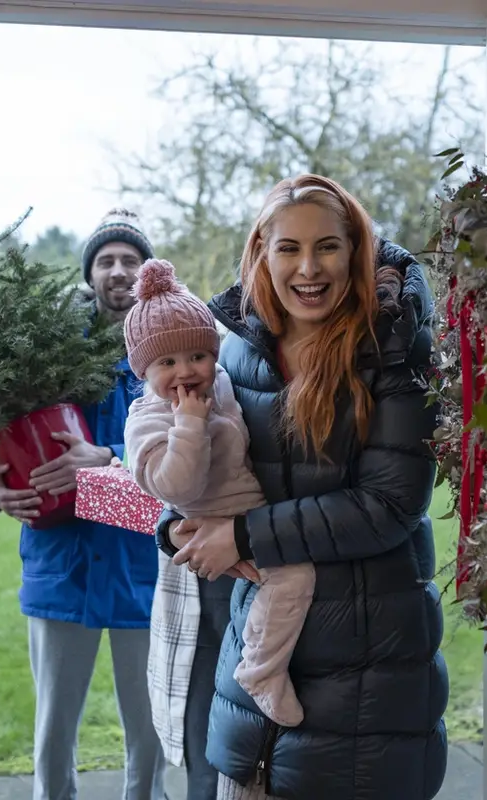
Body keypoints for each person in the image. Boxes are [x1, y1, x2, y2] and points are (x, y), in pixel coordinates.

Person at [157, 175, 448, 800]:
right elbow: (211, 462)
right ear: (262, 251)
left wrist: (239, 533)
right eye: (288, 248)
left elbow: (388, 505)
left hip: (368, 690)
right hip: (255, 673)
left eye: (328, 247)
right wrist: (178, 521)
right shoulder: (236, 351)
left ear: (357, 250)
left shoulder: (397, 349)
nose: (308, 268)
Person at [0, 208, 167, 800]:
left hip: (144, 569)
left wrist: (105, 456)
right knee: (54, 725)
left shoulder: (168, 352)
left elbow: (185, 449)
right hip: (62, 565)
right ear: (89, 274)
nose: (117, 271)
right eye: (105, 261)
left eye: (129, 261)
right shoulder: (46, 353)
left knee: (151, 727)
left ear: (146, 273)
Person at [121, 259, 316, 798]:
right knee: (287, 581)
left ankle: (260, 662)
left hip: (249, 521)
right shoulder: (152, 418)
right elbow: (174, 487)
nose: (186, 371)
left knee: (288, 582)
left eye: (198, 355)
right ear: (142, 370)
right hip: (212, 528)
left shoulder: (223, 382)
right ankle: (263, 670)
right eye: (167, 361)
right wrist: (189, 424)